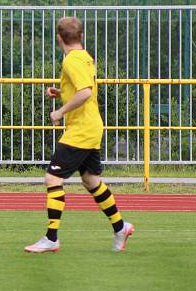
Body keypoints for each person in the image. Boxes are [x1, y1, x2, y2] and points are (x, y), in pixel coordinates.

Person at [25, 17, 134, 253]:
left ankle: (51, 238)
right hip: (92, 125)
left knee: (53, 179)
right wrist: (62, 92)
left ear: (59, 38)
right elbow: (82, 89)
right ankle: (120, 227)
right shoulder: (85, 56)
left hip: (81, 129)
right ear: (81, 36)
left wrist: (60, 112)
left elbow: (84, 92)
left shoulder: (71, 60)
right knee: (91, 180)